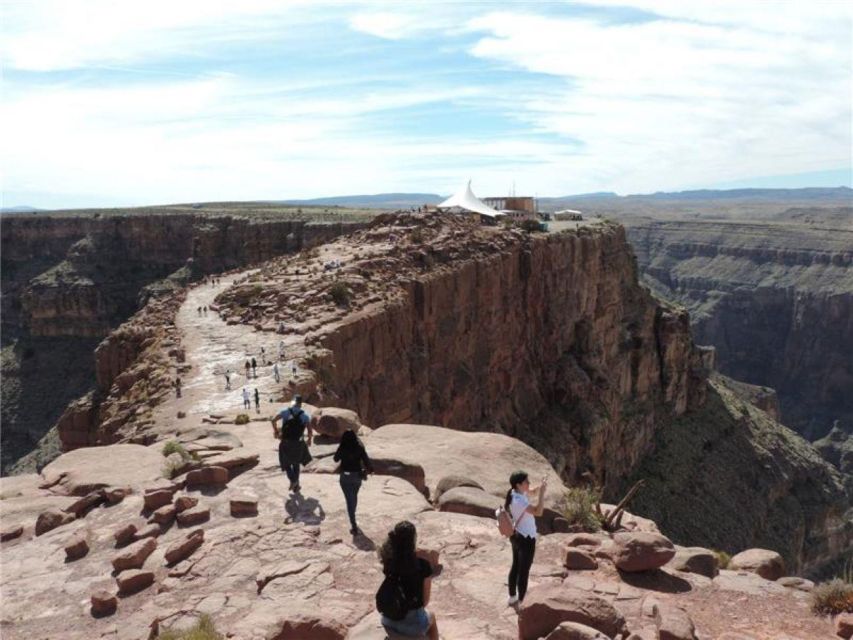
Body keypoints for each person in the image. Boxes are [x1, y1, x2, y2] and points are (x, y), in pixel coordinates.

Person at [377, 521, 438, 639]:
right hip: (413, 625)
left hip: (389, 619)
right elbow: (425, 602)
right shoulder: (422, 565)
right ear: (413, 540)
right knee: (432, 617)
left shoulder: (389, 562)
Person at [505, 471, 547, 606]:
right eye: (526, 482)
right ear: (518, 484)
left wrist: (541, 486)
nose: (529, 484)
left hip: (517, 534)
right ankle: (522, 601)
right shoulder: (518, 501)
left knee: (516, 566)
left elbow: (532, 491)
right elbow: (539, 512)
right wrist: (542, 494)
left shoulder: (514, 492)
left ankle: (512, 596)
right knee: (524, 571)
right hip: (526, 539)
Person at [333, 430, 373, 535]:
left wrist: (340, 448)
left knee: (349, 500)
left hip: (345, 477)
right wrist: (371, 469)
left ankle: (353, 524)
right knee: (354, 497)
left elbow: (335, 459)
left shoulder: (343, 446)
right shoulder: (359, 446)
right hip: (357, 476)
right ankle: (353, 516)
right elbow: (366, 460)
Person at [271, 395, 312, 492]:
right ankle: (296, 485)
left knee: (286, 463)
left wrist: (276, 431)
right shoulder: (305, 415)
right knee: (296, 463)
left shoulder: (285, 411)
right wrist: (309, 440)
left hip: (286, 442)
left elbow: (273, 420)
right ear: (301, 404)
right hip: (298, 443)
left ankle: (293, 481)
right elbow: (310, 430)